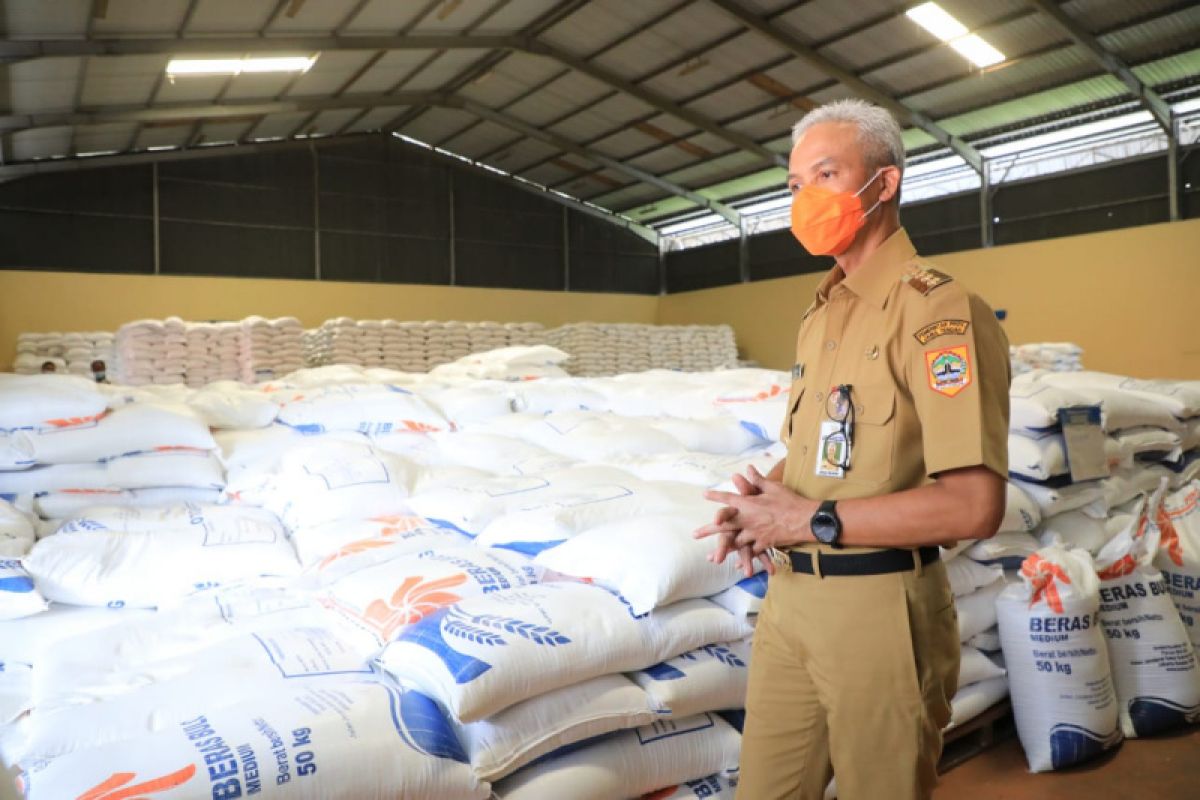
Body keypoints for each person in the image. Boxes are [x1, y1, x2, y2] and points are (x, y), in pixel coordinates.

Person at [695, 99, 1010, 800]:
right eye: (795, 184)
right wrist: (761, 505)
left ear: (884, 183)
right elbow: (824, 452)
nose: (806, 198)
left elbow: (976, 504)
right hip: (791, 601)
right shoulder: (822, 314)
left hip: (880, 610)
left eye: (826, 174)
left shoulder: (937, 310)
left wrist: (811, 520)